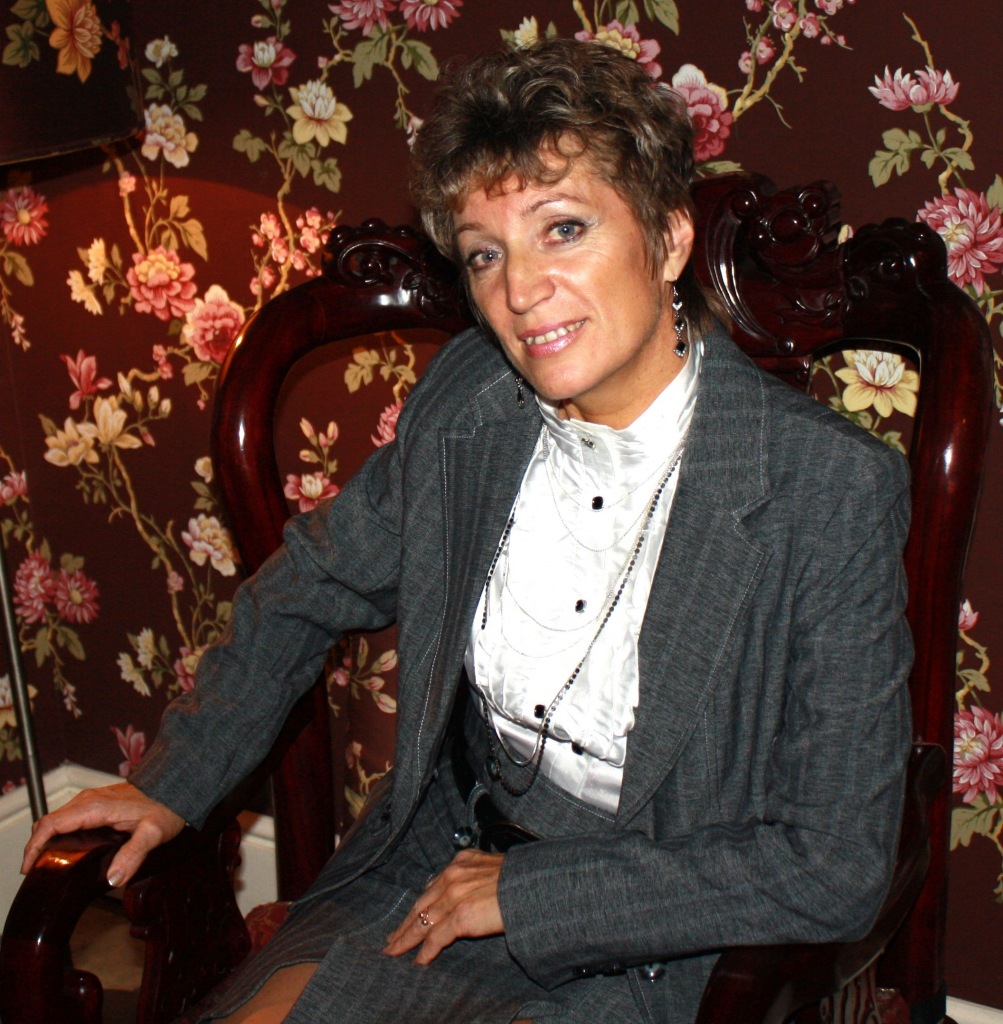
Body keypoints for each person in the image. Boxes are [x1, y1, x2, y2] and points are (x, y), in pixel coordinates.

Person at [22, 37, 912, 1024]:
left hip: (662, 938)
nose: (519, 292)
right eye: (486, 253)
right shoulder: (470, 408)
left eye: (562, 229)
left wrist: (530, 895)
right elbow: (308, 584)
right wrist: (174, 780)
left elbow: (835, 865)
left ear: (667, 240)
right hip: (440, 871)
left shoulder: (825, 488)